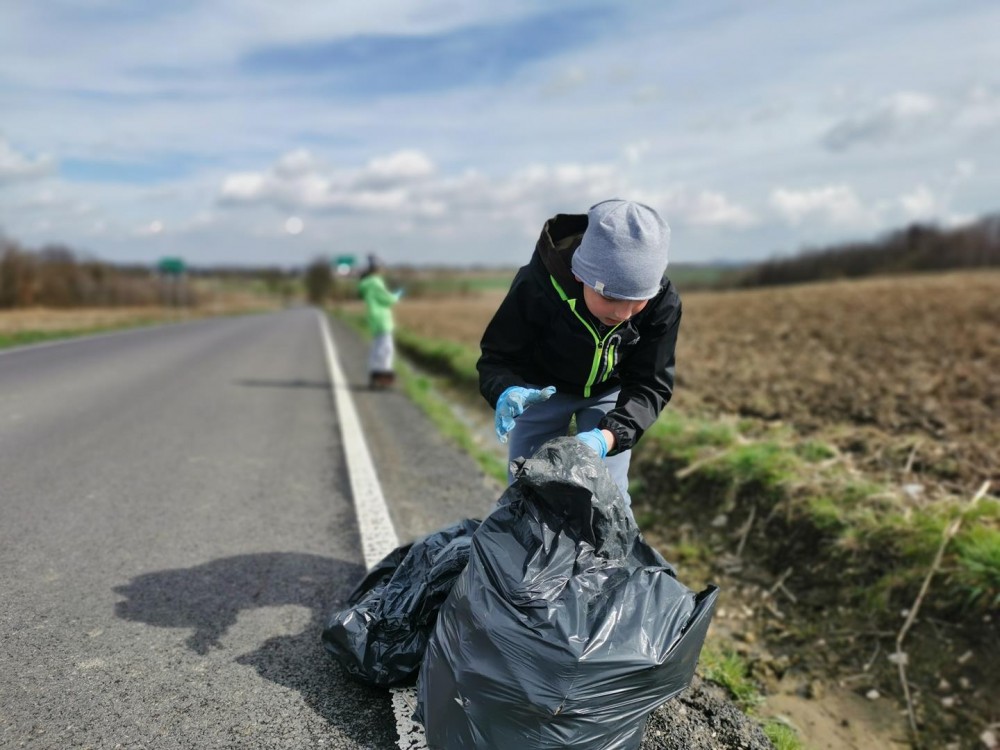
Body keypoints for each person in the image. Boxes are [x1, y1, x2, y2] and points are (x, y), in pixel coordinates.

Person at [477, 199, 680, 508]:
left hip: (608, 393)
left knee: (608, 496)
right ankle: (523, 553)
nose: (624, 313)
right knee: (526, 490)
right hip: (539, 391)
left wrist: (609, 436)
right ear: (580, 275)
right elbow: (498, 356)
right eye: (611, 296)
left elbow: (650, 384)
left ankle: (603, 557)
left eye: (637, 300)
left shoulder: (662, 303)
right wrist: (506, 391)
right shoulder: (537, 285)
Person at [358, 254, 403, 389]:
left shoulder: (366, 284)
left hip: (375, 319)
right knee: (386, 349)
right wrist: (397, 295)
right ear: (376, 268)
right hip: (382, 320)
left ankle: (375, 376)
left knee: (377, 348)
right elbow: (387, 299)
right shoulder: (375, 282)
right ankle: (382, 378)